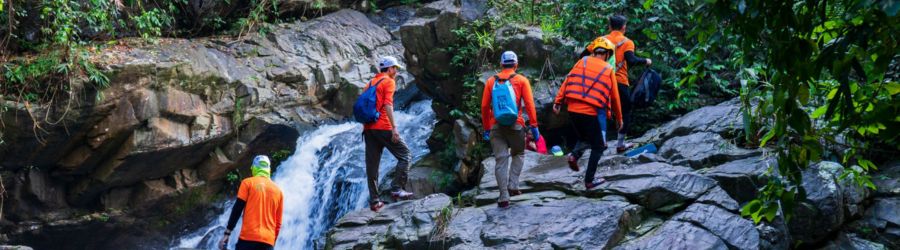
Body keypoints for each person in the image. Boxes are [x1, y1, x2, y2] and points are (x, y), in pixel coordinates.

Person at [553, 37, 623, 190]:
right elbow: (615, 96)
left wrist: (558, 102)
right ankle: (589, 181)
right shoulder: (608, 70)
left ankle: (574, 156)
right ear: (607, 55)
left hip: (572, 110)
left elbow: (567, 80)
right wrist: (619, 118)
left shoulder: (581, 62)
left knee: (584, 137)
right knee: (598, 147)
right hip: (589, 112)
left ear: (594, 52)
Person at [480, 51, 540, 208]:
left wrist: (487, 128)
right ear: (516, 64)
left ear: (501, 64)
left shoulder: (490, 82)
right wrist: (534, 125)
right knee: (518, 153)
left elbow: (485, 106)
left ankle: (503, 197)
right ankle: (513, 184)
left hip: (496, 126)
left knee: (500, 159)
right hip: (516, 125)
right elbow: (529, 104)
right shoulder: (521, 80)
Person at [363, 56, 413, 212]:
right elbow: (387, 105)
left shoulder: (370, 83)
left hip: (369, 129)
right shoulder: (389, 82)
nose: (396, 71)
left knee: (372, 166)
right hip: (383, 126)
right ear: (390, 69)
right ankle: (397, 188)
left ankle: (375, 202)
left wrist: (365, 127)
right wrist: (394, 128)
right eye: (395, 68)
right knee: (405, 155)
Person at [602, 14, 652, 153]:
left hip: (601, 82)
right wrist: (645, 61)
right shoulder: (627, 42)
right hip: (619, 82)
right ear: (624, 27)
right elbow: (631, 59)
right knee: (625, 111)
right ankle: (620, 144)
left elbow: (584, 55)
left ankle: (601, 141)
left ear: (610, 26)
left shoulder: (601, 40)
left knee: (602, 111)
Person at [218, 155, 284, 250]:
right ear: (268, 169)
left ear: (254, 168)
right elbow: (278, 223)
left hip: (249, 238)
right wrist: (272, 243)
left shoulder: (248, 183)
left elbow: (237, 209)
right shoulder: (279, 191)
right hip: (268, 241)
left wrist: (227, 233)